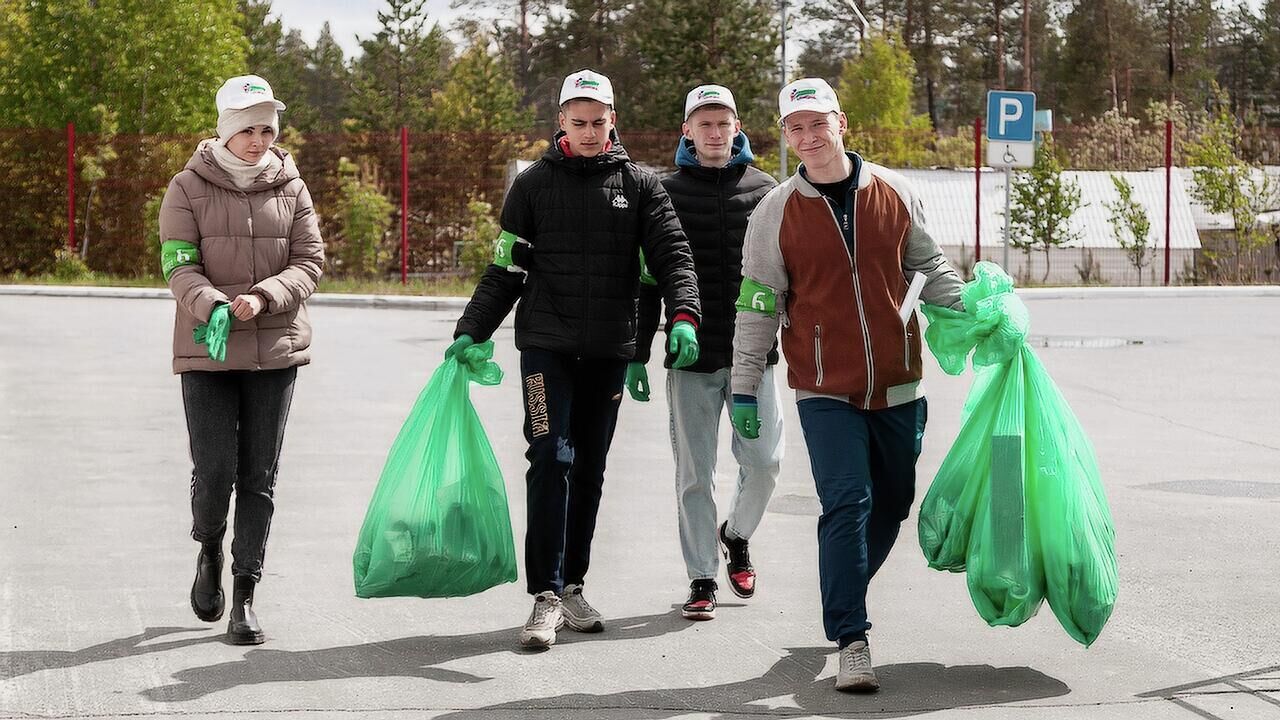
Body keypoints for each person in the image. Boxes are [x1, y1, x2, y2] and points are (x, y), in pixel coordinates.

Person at [447, 69, 702, 650]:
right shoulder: (533, 185)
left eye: (598, 122)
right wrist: (473, 328)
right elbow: (506, 268)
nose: (589, 132)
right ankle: (544, 595)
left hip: (608, 349)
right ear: (561, 121)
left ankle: (573, 586)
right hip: (546, 348)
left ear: (613, 120)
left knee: (588, 467)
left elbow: (674, 256)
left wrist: (684, 315)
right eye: (578, 122)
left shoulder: (640, 185)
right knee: (550, 456)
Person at [730, 78, 966, 692]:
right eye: (795, 128)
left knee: (891, 503)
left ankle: (845, 588)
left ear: (841, 121)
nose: (808, 138)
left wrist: (972, 309)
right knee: (847, 502)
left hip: (898, 380)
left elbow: (927, 263)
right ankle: (852, 637)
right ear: (785, 135)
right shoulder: (774, 212)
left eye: (817, 124)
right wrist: (745, 385)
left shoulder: (896, 190)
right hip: (823, 386)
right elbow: (758, 305)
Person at [159, 74, 324, 645]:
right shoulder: (185, 186)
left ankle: (246, 594)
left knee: (259, 476)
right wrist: (215, 305)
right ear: (225, 131)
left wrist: (264, 296)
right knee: (215, 473)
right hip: (208, 349)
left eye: (267, 130)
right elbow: (178, 265)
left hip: (274, 351)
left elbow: (309, 261)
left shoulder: (293, 186)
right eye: (247, 130)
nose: (258, 141)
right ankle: (208, 547)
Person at [630, 84, 782, 621]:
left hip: (754, 357)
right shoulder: (662, 192)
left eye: (724, 124)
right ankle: (701, 576)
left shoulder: (769, 190)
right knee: (695, 473)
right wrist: (637, 350)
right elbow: (648, 278)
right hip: (690, 360)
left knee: (764, 464)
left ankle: (735, 533)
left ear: (738, 128)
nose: (715, 134)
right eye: (704, 124)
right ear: (687, 132)